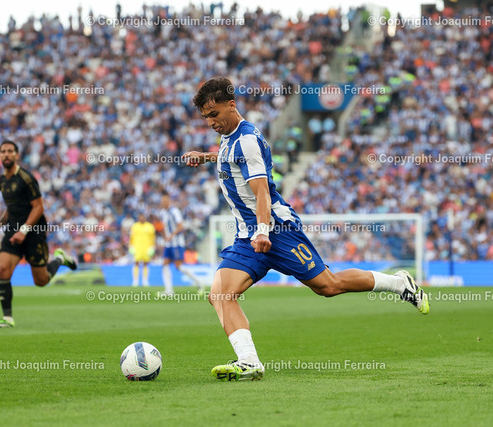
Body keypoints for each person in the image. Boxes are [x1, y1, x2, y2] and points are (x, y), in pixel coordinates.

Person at [183, 76, 429, 381]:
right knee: (220, 295)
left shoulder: (246, 140)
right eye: (206, 118)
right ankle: (249, 362)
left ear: (231, 105)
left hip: (276, 231)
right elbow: (232, 158)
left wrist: (263, 231)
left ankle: (398, 283)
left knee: (329, 286)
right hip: (248, 237)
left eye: (214, 114)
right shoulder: (230, 135)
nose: (210, 122)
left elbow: (262, 192)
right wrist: (206, 156)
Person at [0, 140, 77, 328]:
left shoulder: (26, 178)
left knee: (41, 280)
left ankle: (59, 259)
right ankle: (7, 318)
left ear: (17, 155)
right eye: (3, 151)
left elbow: (38, 208)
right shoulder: (2, 181)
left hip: (33, 231)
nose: (6, 154)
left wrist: (24, 231)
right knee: (3, 269)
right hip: (13, 230)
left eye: (10, 151)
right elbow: (11, 207)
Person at [158, 191, 205, 295]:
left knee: (178, 266)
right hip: (168, 244)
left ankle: (199, 281)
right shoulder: (162, 213)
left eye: (165, 200)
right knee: (165, 264)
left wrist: (171, 235)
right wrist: (164, 237)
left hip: (177, 243)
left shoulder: (174, 211)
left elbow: (180, 225)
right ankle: (169, 291)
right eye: (162, 201)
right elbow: (162, 227)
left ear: (169, 201)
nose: (164, 202)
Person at [129, 212, 156, 287]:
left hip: (146, 248)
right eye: (140, 217)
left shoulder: (150, 226)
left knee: (146, 263)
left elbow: (153, 238)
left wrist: (152, 247)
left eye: (143, 217)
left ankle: (145, 281)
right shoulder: (135, 226)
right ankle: (135, 281)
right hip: (137, 247)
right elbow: (131, 237)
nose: (141, 218)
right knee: (136, 263)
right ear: (138, 218)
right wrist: (131, 246)